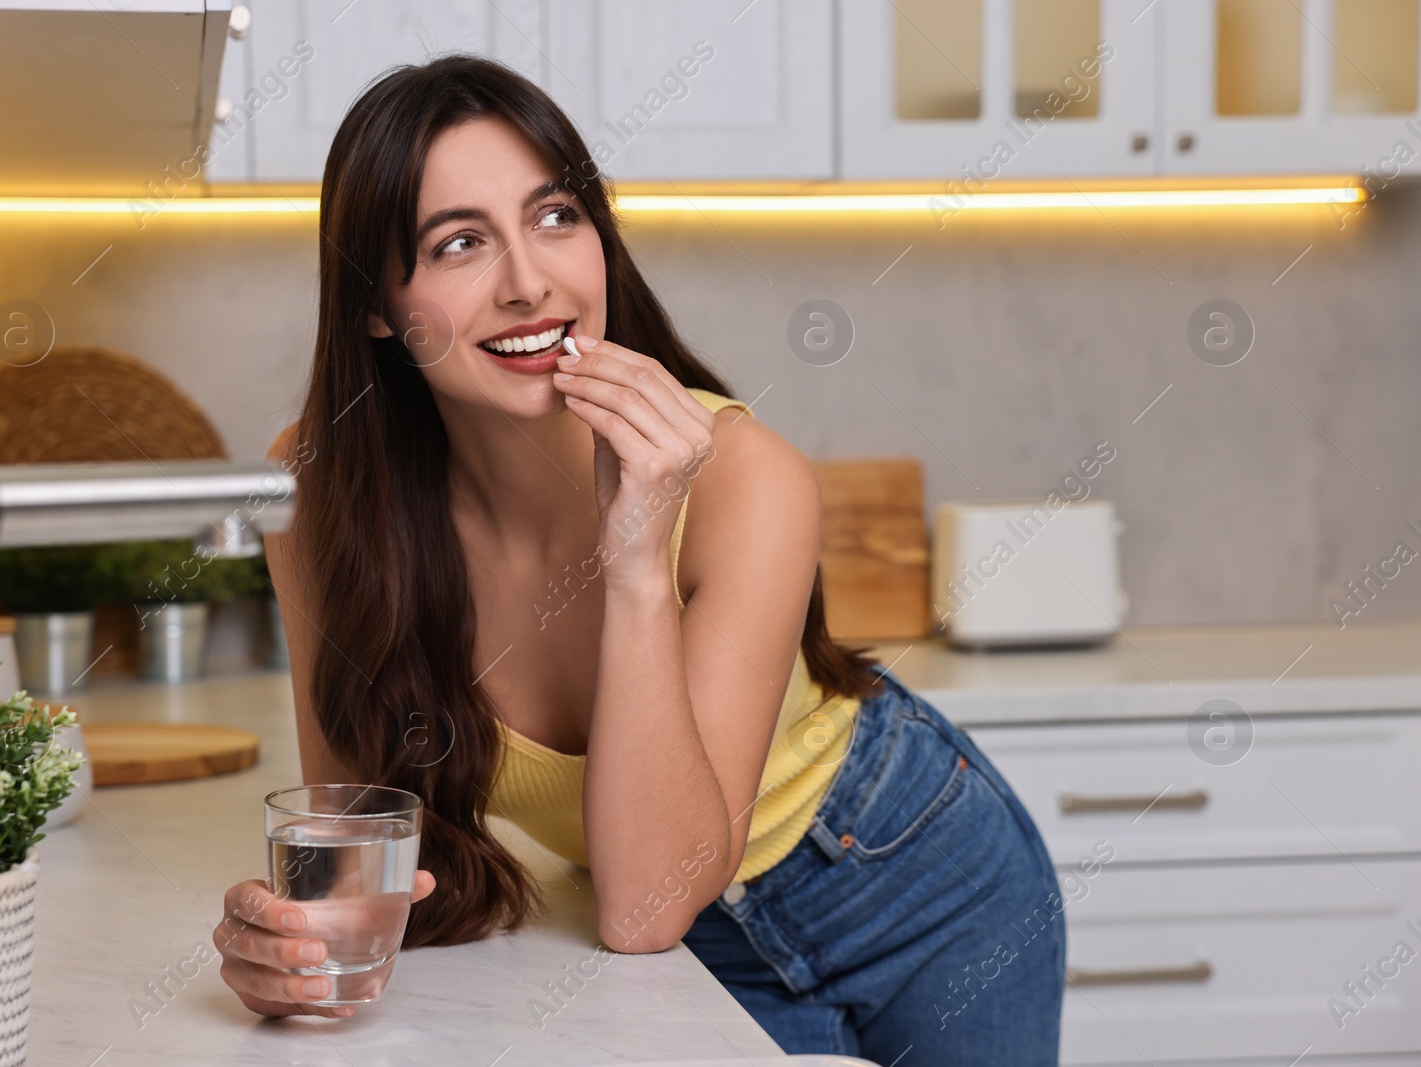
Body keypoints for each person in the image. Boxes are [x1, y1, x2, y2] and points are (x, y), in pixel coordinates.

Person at [212, 53, 1065, 1062]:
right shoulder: (320, 493)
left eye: (555, 216)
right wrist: (288, 956)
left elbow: (641, 907)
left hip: (922, 876)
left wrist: (633, 551)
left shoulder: (746, 478)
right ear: (375, 305)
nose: (529, 281)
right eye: (458, 244)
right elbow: (369, 847)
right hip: (675, 923)